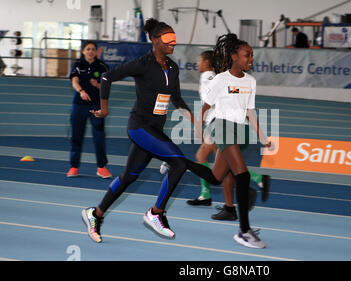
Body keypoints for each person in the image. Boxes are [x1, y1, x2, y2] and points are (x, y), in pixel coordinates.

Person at [81, 18, 221, 243]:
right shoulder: (143, 64)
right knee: (178, 163)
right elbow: (107, 77)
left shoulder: (173, 68)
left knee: (129, 177)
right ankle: (156, 213)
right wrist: (104, 109)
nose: (173, 42)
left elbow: (176, 98)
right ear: (155, 41)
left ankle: (95, 214)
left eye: (175, 38)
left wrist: (194, 120)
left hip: (155, 128)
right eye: (168, 38)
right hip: (139, 127)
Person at [160, 50, 270, 222]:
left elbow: (216, 99)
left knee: (209, 160)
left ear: (206, 62)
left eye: (199, 60)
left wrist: (201, 123)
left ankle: (215, 194)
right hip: (223, 125)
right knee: (224, 167)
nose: (197, 64)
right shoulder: (219, 78)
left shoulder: (209, 77)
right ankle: (232, 201)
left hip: (218, 125)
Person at [196, 33, 272, 248]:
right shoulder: (221, 79)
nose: (251, 59)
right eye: (247, 55)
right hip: (222, 127)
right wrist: (197, 128)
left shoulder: (250, 81)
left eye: (252, 55)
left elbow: (250, 111)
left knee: (215, 178)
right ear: (234, 57)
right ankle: (244, 231)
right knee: (243, 175)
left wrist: (263, 137)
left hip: (239, 130)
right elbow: (205, 106)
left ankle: (178, 163)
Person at [67, 41, 112, 179]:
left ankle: (101, 167)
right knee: (76, 136)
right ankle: (74, 167)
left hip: (96, 106)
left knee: (99, 136)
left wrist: (97, 85)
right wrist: (81, 91)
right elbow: (74, 81)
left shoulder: (103, 66)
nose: (91, 51)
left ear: (96, 51)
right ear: (83, 51)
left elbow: (106, 87)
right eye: (88, 49)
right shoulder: (77, 64)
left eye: (93, 49)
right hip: (79, 105)